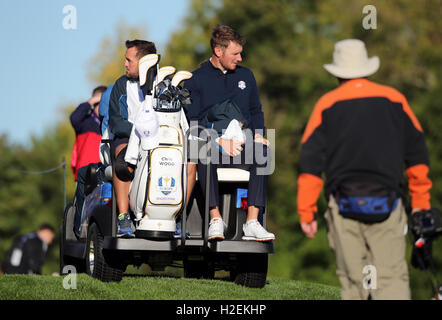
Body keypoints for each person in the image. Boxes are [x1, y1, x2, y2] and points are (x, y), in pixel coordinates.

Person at [296, 39, 432, 299]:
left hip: (343, 206)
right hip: (388, 203)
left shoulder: (326, 104)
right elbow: (417, 155)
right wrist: (420, 202)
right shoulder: (395, 99)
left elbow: (310, 161)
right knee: (390, 280)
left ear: (337, 73)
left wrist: (306, 211)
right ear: (368, 68)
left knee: (354, 283)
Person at [184, 25, 275, 242]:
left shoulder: (247, 76)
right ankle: (215, 219)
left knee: (264, 151)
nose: (240, 58)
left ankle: (252, 222)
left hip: (243, 143)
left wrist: (259, 134)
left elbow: (256, 110)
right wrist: (219, 140)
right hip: (213, 143)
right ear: (218, 51)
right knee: (203, 150)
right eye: (235, 54)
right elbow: (193, 121)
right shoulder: (196, 79)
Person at [108, 39, 157, 237]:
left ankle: (175, 217)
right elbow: (117, 122)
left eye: (129, 60)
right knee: (122, 162)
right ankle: (123, 218)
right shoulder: (121, 85)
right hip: (128, 138)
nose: (125, 64)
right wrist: (142, 133)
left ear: (145, 62)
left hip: (159, 140)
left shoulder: (163, 83)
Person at [70, 86, 107, 181]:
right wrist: (91, 101)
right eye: (97, 103)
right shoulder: (85, 121)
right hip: (85, 174)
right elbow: (74, 118)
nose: (100, 106)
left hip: (104, 172)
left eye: (104, 103)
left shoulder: (110, 122)